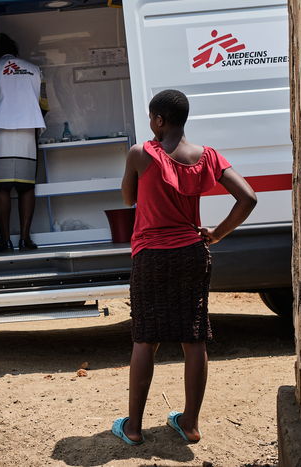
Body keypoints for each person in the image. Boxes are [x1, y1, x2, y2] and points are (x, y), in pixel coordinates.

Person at [111, 89, 257, 446]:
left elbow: (128, 198)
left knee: (146, 337)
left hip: (150, 256)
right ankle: (189, 424)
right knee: (194, 339)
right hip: (192, 253)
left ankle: (133, 428)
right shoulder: (206, 156)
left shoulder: (141, 154)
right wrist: (217, 234)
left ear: (159, 120)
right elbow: (248, 197)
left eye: (151, 118)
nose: (150, 124)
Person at [0, 33, 47, 253]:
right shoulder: (34, 69)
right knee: (26, 188)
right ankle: (25, 239)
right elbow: (44, 104)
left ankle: (5, 241)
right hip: (27, 132)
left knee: (2, 188)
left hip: (1, 132)